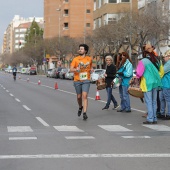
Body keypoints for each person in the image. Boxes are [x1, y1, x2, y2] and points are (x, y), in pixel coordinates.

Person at [136, 44, 162, 124]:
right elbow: (162, 71)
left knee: (149, 101)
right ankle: (154, 118)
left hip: (147, 83)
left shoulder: (143, 61)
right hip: (156, 83)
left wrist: (136, 78)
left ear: (145, 52)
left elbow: (139, 73)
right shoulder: (158, 60)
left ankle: (150, 118)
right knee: (154, 101)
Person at [70, 44, 93, 120]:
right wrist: (76, 69)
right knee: (79, 96)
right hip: (77, 80)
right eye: (79, 49)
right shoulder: (75, 59)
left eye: (82, 49)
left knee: (84, 96)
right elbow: (71, 69)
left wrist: (92, 70)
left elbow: (91, 67)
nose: (80, 50)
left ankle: (85, 113)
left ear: (85, 51)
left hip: (86, 79)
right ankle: (80, 107)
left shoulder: (89, 59)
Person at [158, 50, 170, 120]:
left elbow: (162, 72)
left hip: (167, 84)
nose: (164, 58)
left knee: (168, 99)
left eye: (165, 57)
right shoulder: (167, 63)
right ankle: (162, 113)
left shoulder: (168, 63)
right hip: (163, 84)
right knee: (161, 98)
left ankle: (168, 114)